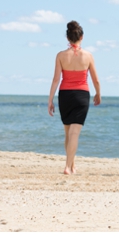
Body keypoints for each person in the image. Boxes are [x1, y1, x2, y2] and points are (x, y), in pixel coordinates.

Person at [48, 20, 101, 174]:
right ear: (81, 37)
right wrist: (98, 93)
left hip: (65, 95)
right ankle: (67, 166)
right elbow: (95, 79)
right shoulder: (88, 55)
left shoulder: (60, 55)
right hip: (81, 95)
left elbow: (56, 79)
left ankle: (71, 165)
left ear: (67, 38)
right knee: (74, 134)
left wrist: (50, 99)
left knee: (68, 133)